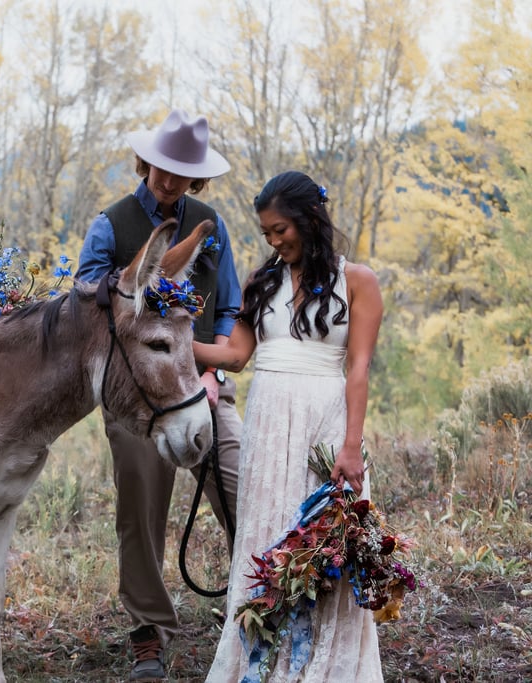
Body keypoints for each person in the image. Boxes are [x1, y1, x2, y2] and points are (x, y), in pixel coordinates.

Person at [194, 171, 384, 682]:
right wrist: (172, 341)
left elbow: (359, 369)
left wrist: (350, 446)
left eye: (281, 230)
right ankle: (258, 666)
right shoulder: (263, 282)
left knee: (320, 546)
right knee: (265, 538)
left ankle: (319, 669)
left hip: (324, 425)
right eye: (267, 234)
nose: (275, 241)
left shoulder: (358, 281)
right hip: (268, 427)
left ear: (309, 219)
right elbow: (234, 355)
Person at [76, 109, 244, 681]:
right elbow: (83, 294)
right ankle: (149, 629)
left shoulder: (210, 222)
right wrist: (138, 278)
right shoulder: (111, 223)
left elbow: (228, 307)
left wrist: (216, 373)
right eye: (161, 170)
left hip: (198, 380)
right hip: (135, 389)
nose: (168, 182)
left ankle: (260, 606)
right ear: (146, 162)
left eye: (181, 174)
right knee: (141, 504)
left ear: (195, 177)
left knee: (239, 482)